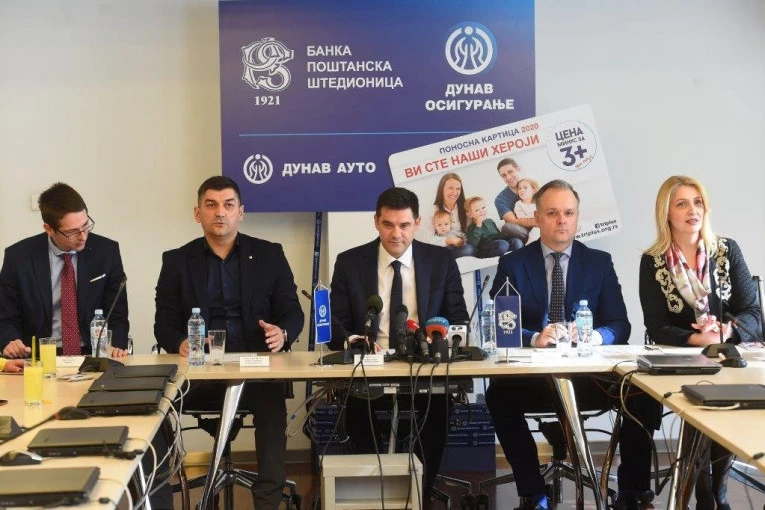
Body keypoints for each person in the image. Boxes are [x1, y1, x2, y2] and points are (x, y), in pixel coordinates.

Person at [485, 180, 659, 510]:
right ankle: (533, 493)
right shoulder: (513, 263)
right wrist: (533, 338)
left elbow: (620, 325)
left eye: (568, 213)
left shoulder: (599, 262)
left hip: (590, 380)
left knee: (642, 393)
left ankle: (632, 492)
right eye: (552, 213)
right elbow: (500, 324)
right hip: (533, 380)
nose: (561, 221)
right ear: (537, 218)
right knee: (497, 395)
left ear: (577, 217)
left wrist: (595, 336)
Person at [154, 175, 304, 509]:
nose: (220, 212)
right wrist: (179, 341)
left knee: (271, 404)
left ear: (241, 212)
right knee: (158, 404)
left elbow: (293, 312)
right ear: (198, 213)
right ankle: (161, 499)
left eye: (228, 205)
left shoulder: (269, 254)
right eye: (211, 205)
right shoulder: (176, 261)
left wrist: (282, 333)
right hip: (200, 375)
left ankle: (267, 502)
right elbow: (163, 323)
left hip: (256, 372)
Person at [329, 187, 469, 509]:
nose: (396, 234)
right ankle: (373, 492)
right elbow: (336, 323)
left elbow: (458, 317)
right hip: (370, 367)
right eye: (388, 224)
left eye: (404, 225)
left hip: (423, 365)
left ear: (417, 223)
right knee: (357, 416)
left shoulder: (441, 261)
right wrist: (354, 341)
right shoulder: (349, 262)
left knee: (436, 413)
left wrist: (438, 339)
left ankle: (420, 492)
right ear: (376, 222)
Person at [639, 175, 761, 509]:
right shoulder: (653, 260)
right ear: (666, 213)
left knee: (725, 394)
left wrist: (725, 333)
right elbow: (657, 326)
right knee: (701, 396)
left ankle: (716, 491)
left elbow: (752, 312)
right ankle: (706, 492)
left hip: (733, 354)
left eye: (698, 202)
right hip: (687, 359)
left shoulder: (726, 250)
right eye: (682, 204)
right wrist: (698, 338)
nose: (693, 210)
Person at [0, 182, 129, 358]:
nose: (83, 236)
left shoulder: (107, 252)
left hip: (94, 353)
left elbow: (117, 313)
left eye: (86, 225)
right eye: (73, 232)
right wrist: (10, 341)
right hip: (38, 355)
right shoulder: (19, 257)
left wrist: (116, 346)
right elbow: (6, 315)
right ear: (49, 229)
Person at [429, 172, 476, 257]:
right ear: (442, 189)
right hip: (444, 247)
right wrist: (449, 240)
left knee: (469, 249)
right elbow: (428, 239)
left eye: (458, 189)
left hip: (463, 246)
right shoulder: (433, 210)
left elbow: (471, 231)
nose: (455, 192)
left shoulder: (466, 207)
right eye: (451, 188)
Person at [494, 158, 535, 246]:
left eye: (510, 172)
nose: (508, 177)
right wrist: (538, 222)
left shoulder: (532, 185)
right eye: (504, 175)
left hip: (543, 226)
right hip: (523, 231)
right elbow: (513, 222)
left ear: (518, 169)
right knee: (508, 227)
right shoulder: (500, 199)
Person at [513, 177, 541, 245]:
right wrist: (534, 218)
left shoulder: (538, 203)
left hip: (538, 227)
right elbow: (521, 217)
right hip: (525, 228)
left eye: (525, 187)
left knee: (538, 229)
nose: (521, 190)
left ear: (533, 191)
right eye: (519, 188)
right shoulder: (518, 204)